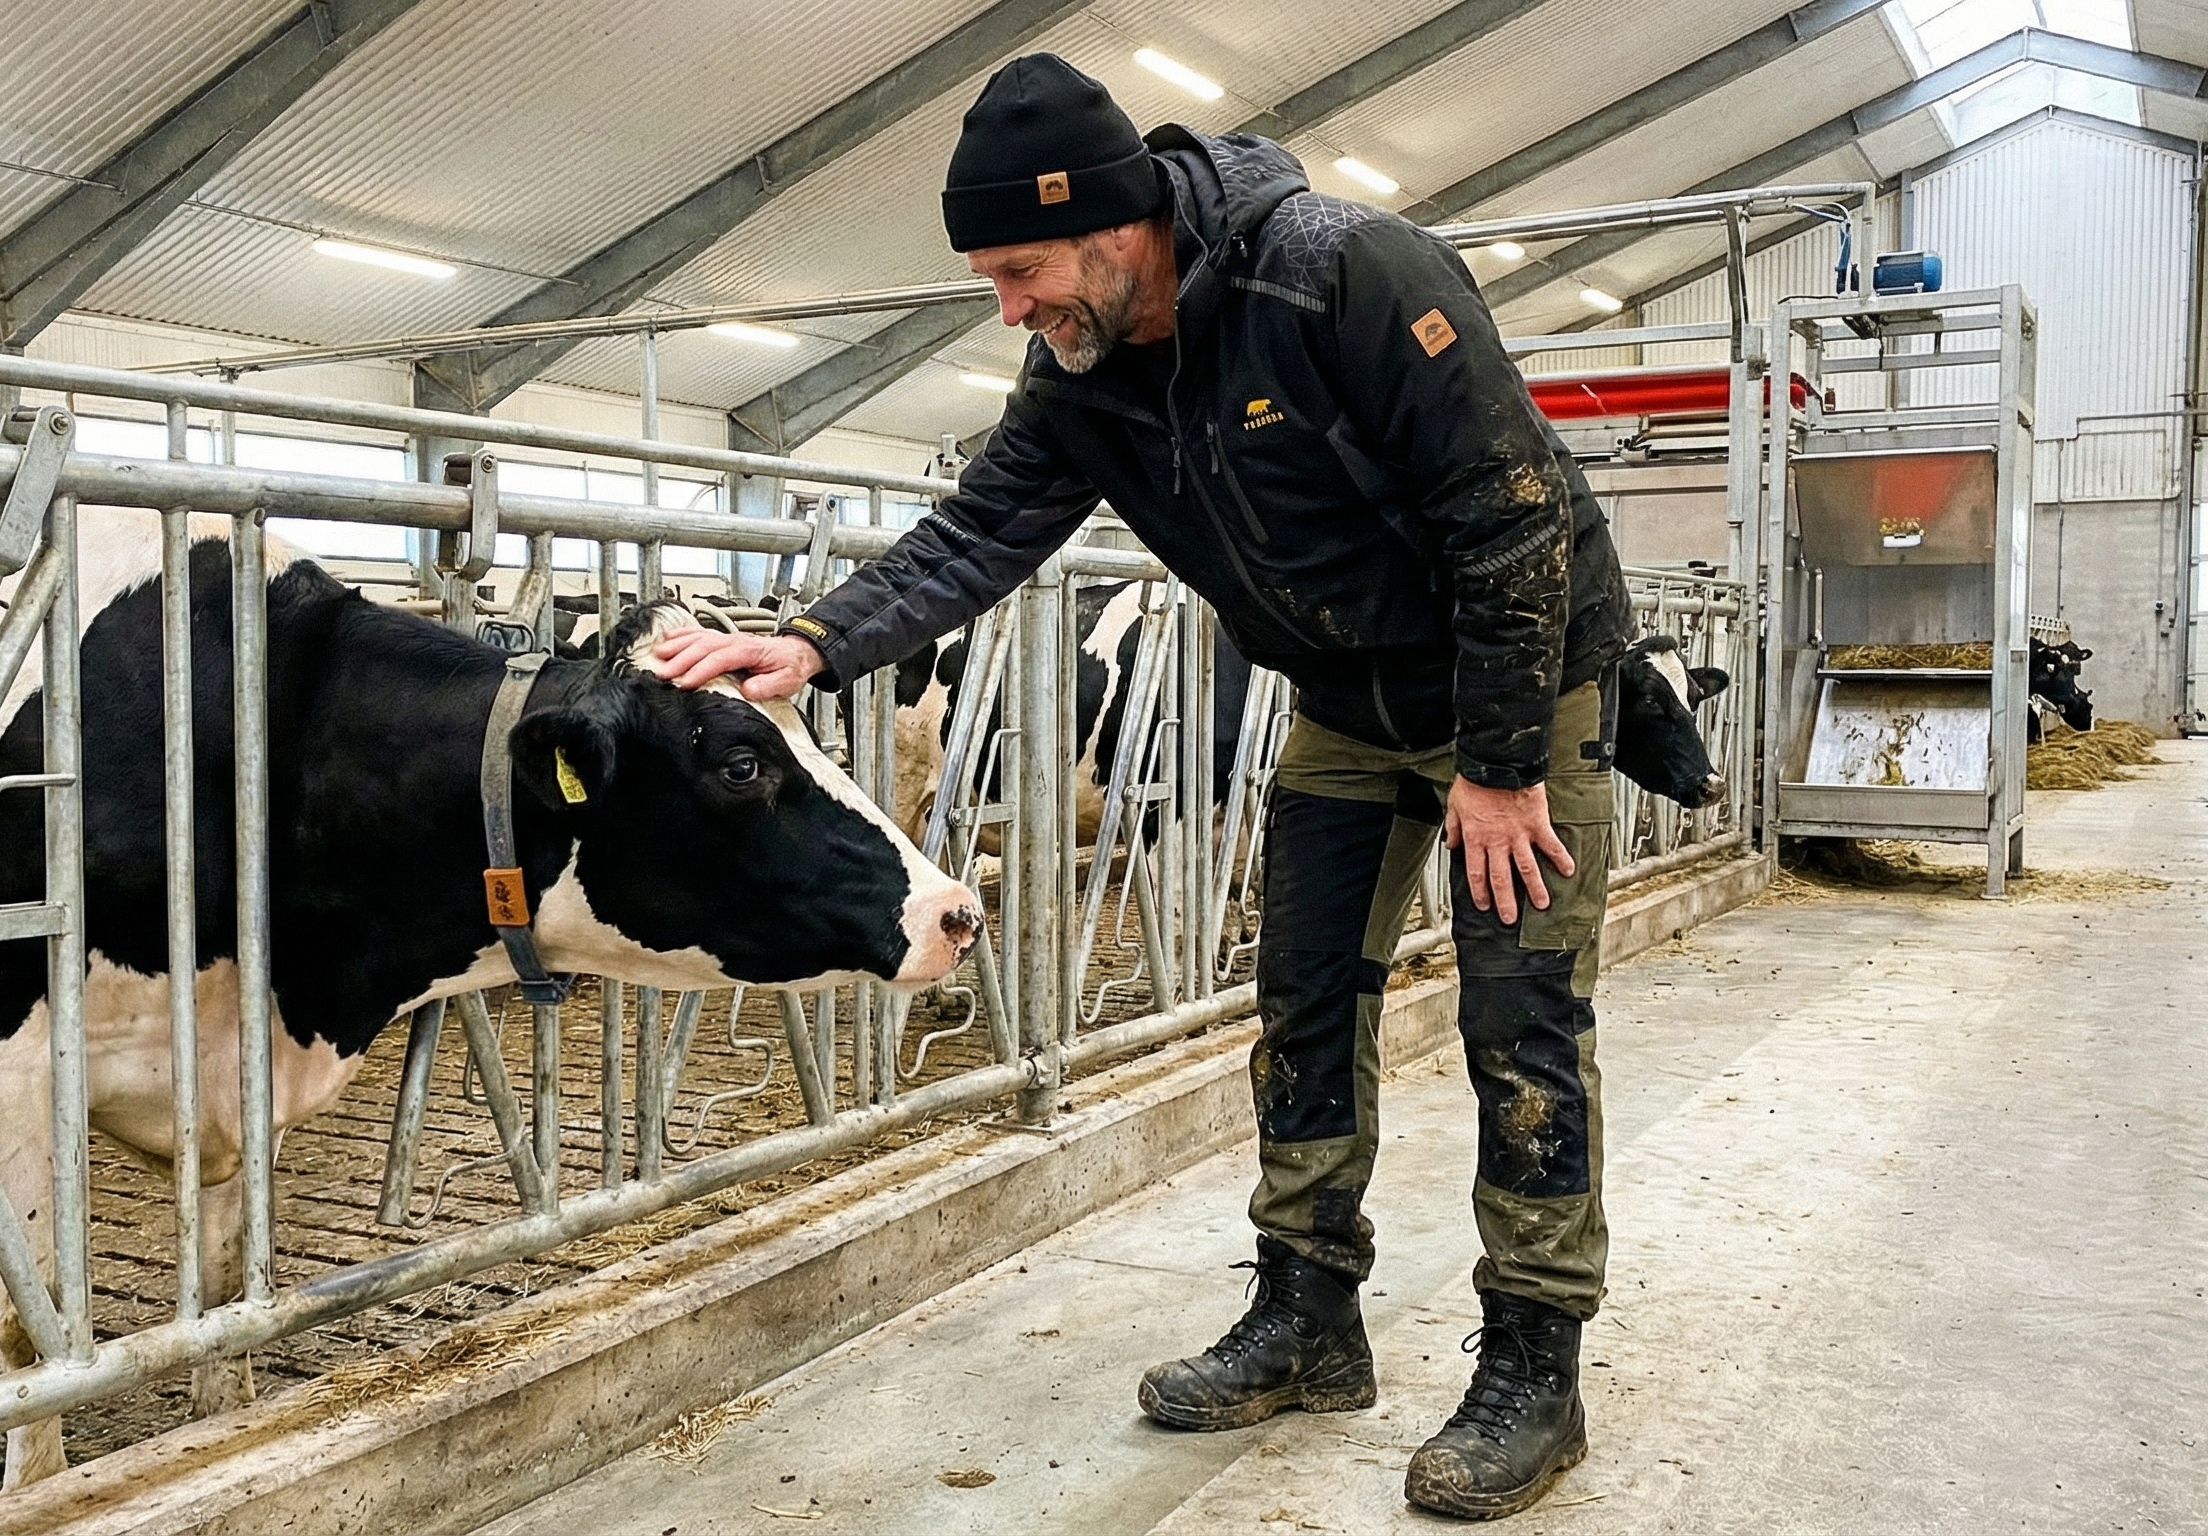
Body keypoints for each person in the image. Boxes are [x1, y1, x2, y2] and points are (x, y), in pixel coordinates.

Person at [652, 53, 1633, 1522]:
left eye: (1026, 270)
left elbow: (1509, 520)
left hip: (1521, 686)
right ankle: (1307, 1317)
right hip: (1349, 706)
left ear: (1122, 228)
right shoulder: (1082, 372)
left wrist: (1499, 770)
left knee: (1521, 1018)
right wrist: (807, 640)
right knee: (1302, 997)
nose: (1011, 311)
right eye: (989, 279)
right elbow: (978, 529)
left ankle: (1534, 1370)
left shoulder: (1350, 276)